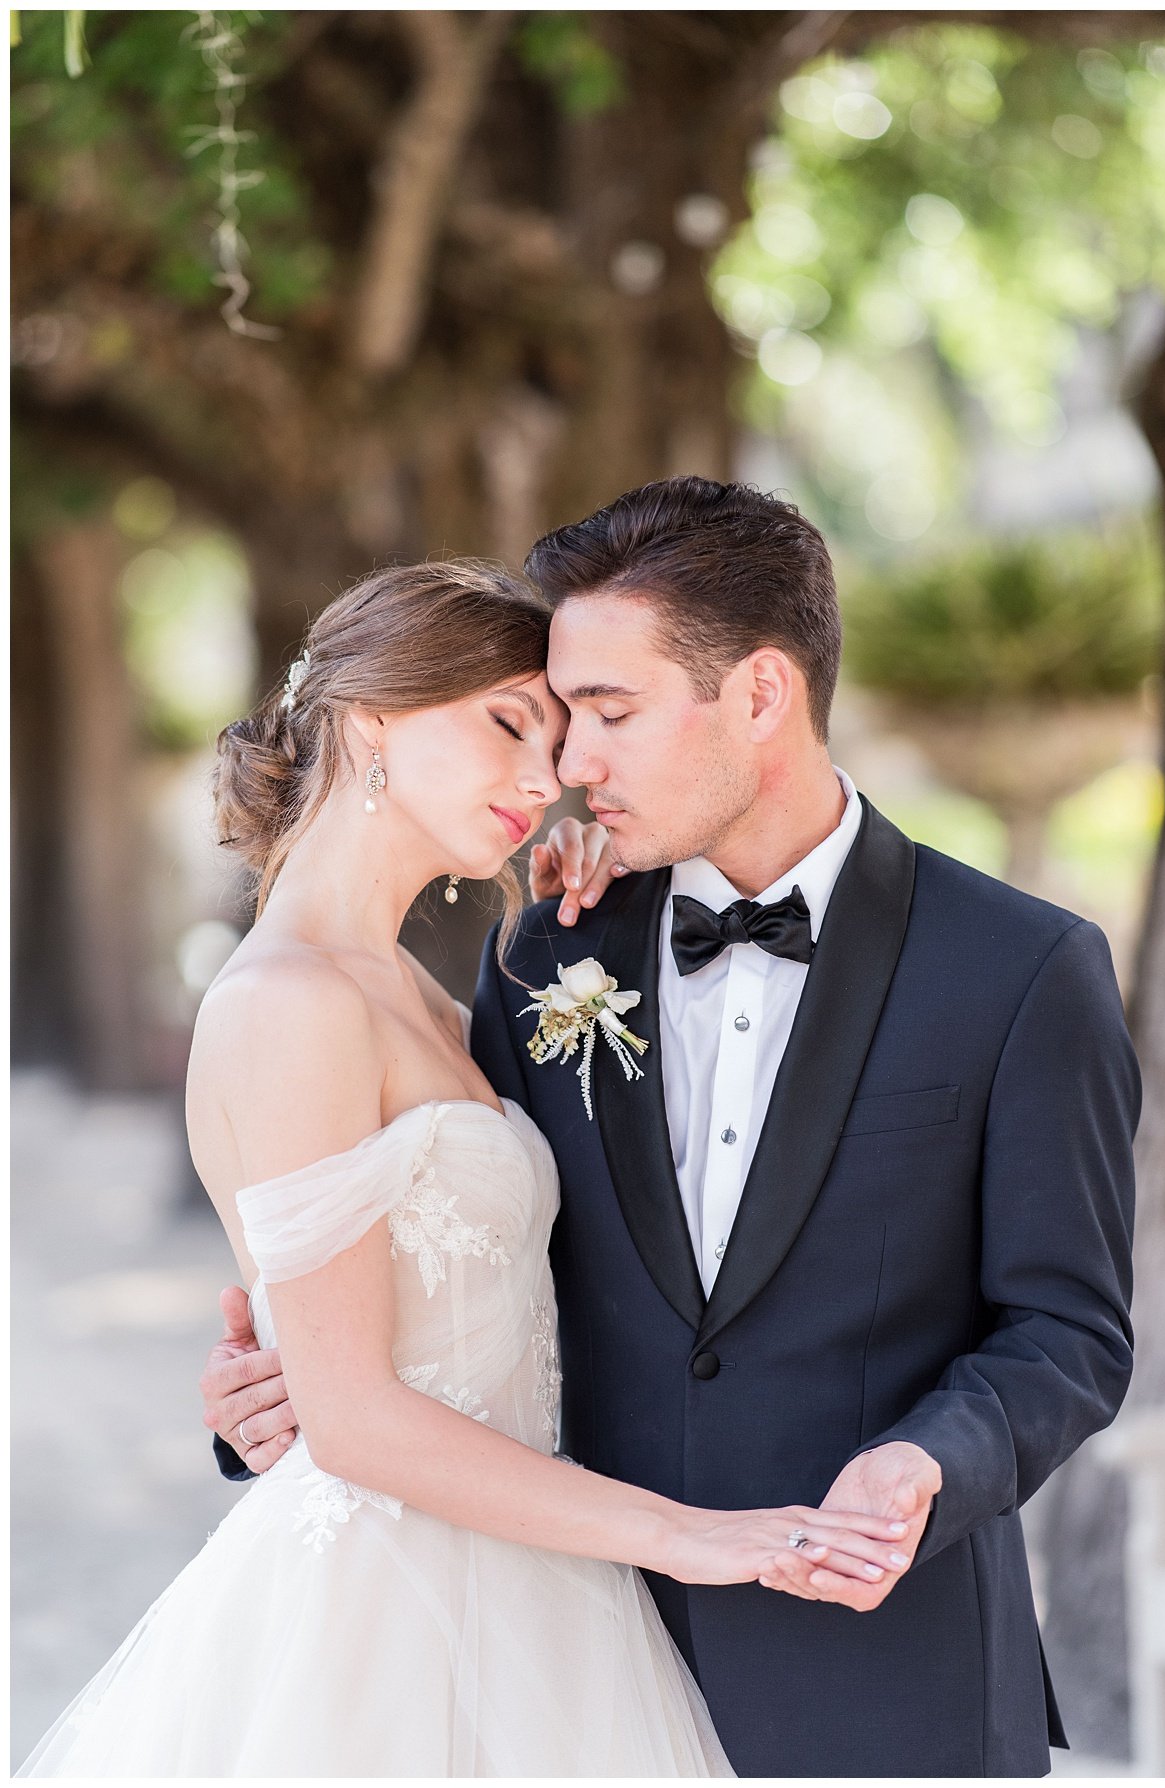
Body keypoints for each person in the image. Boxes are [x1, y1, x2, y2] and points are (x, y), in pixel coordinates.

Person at [203, 479, 1140, 1778]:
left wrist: (929, 1463)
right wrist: (283, 1385)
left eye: (608, 713)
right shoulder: (545, 946)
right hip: (565, 1664)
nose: (567, 771)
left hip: (885, 1685)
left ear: (760, 696)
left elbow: (1069, 1330)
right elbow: (459, 1237)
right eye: (553, 718)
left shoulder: (1023, 969)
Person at [19, 558, 911, 1778]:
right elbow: (355, 1417)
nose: (546, 782)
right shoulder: (283, 1003)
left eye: (559, 742)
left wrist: (586, 926)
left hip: (535, 1577)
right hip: (386, 1608)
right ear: (372, 716)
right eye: (508, 727)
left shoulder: (446, 998)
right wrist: (690, 1538)